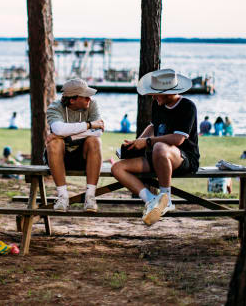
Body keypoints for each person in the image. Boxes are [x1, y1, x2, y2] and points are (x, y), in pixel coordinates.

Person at [111, 68, 200, 226]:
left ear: (167, 92)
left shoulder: (187, 106)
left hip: (183, 158)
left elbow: (178, 139)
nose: (152, 96)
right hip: (158, 156)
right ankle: (152, 201)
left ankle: (166, 198)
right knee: (117, 168)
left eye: (155, 92)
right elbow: (152, 126)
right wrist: (136, 143)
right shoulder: (157, 104)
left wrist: (147, 142)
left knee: (159, 147)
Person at [45, 78, 104, 212]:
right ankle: (62, 197)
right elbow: (59, 129)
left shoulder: (92, 105)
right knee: (54, 143)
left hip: (84, 157)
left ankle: (90, 197)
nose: (89, 98)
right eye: (85, 96)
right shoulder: (55, 107)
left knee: (94, 141)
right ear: (72, 100)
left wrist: (66, 134)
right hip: (59, 157)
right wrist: (89, 125)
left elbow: (98, 131)